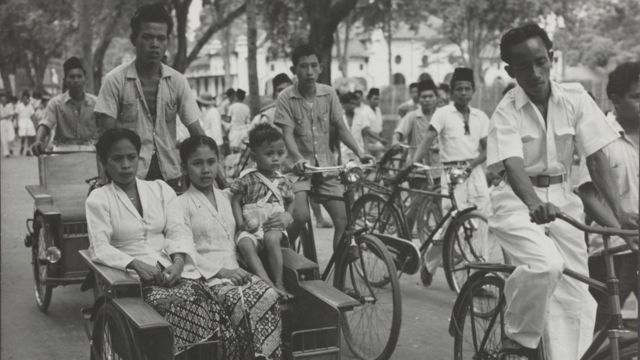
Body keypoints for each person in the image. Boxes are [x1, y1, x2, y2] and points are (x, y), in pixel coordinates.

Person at [486, 23, 635, 359]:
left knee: (577, 298)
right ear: (511, 70)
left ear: (551, 57)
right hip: (516, 205)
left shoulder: (576, 97)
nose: (536, 73)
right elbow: (512, 165)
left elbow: (596, 159)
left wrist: (621, 214)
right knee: (547, 266)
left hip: (565, 203)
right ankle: (519, 336)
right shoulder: (506, 110)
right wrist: (533, 202)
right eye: (524, 67)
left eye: (541, 62)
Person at [85, 128, 225, 354]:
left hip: (170, 270)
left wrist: (178, 263)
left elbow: (177, 230)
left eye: (131, 157)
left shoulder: (159, 189)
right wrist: (133, 264)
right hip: (130, 280)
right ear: (103, 162)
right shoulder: (99, 199)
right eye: (117, 159)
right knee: (172, 306)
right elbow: (99, 247)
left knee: (205, 299)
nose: (126, 165)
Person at [179, 135, 283, 359]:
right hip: (204, 278)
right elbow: (184, 251)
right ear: (184, 168)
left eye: (211, 162)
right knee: (243, 298)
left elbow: (260, 218)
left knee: (267, 293)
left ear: (218, 162)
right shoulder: (180, 204)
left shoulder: (230, 197)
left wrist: (285, 217)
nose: (206, 170)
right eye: (197, 163)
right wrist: (223, 272)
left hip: (238, 271)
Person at [94, 4, 204, 191]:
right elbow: (106, 138)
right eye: (147, 37)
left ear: (167, 41)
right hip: (128, 177)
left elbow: (197, 131)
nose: (154, 44)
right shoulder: (115, 81)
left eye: (161, 38)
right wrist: (104, 179)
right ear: (133, 39)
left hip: (170, 176)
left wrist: (217, 175)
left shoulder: (177, 81)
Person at [274, 44, 373, 249]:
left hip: (326, 168)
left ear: (320, 68)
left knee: (344, 221)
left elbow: (342, 128)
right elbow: (287, 134)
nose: (309, 72)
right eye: (303, 66)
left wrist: (360, 153)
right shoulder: (285, 97)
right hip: (298, 171)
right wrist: (297, 157)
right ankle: (284, 249)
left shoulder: (329, 94)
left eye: (313, 66)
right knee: (299, 217)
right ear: (294, 70)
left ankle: (338, 276)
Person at [407, 68, 492, 286]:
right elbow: (428, 138)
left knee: (480, 223)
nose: (463, 93)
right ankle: (429, 263)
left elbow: (487, 149)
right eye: (459, 89)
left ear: (473, 91)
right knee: (451, 225)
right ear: (452, 92)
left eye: (467, 89)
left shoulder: (480, 117)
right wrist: (413, 163)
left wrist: (474, 164)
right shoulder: (442, 113)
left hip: (475, 174)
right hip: (452, 175)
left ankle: (476, 278)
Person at [575, 61, 639, 331]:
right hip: (613, 251)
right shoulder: (601, 139)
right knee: (602, 330)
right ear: (615, 100)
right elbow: (588, 194)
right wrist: (619, 230)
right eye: (637, 97)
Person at [230, 124, 294, 299]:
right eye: (269, 154)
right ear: (254, 156)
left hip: (272, 226)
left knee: (272, 239)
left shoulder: (284, 181)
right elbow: (235, 200)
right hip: (251, 227)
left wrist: (288, 215)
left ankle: (279, 281)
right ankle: (268, 283)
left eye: (280, 153)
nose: (275, 158)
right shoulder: (247, 178)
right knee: (244, 244)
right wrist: (240, 223)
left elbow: (290, 201)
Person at [32, 57, 98, 155]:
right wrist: (39, 141)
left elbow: (105, 126)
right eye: (72, 77)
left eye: (79, 76)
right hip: (62, 151)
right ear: (65, 80)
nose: (76, 80)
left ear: (85, 79)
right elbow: (46, 124)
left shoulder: (96, 102)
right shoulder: (55, 103)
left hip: (90, 151)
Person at [392, 79, 441, 172]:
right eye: (424, 97)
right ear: (419, 99)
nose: (427, 99)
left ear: (437, 97)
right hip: (417, 169)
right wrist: (395, 141)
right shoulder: (412, 116)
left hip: (439, 168)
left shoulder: (442, 115)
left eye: (431, 96)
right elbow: (398, 133)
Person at [340, 92, 385, 163]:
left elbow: (366, 131)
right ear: (344, 104)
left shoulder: (360, 116)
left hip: (358, 151)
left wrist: (367, 148)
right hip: (343, 152)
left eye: (354, 104)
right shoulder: (339, 117)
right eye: (350, 103)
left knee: (359, 172)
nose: (352, 106)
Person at [16, 91, 35, 156]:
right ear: (22, 99)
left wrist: (34, 123)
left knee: (30, 136)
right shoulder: (19, 106)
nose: (25, 100)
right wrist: (17, 124)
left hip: (28, 120)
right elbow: (16, 115)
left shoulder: (30, 106)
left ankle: (28, 150)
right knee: (23, 136)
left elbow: (32, 115)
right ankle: (22, 146)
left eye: (26, 98)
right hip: (21, 121)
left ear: (28, 99)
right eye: (23, 98)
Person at [0, 93, 16, 157]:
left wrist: (5, 116)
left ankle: (10, 148)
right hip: (1, 122)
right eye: (2, 99)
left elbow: (12, 114)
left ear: (6, 100)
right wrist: (5, 116)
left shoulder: (10, 105)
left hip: (9, 122)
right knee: (3, 137)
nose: (3, 100)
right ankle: (6, 153)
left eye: (4, 99)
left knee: (11, 136)